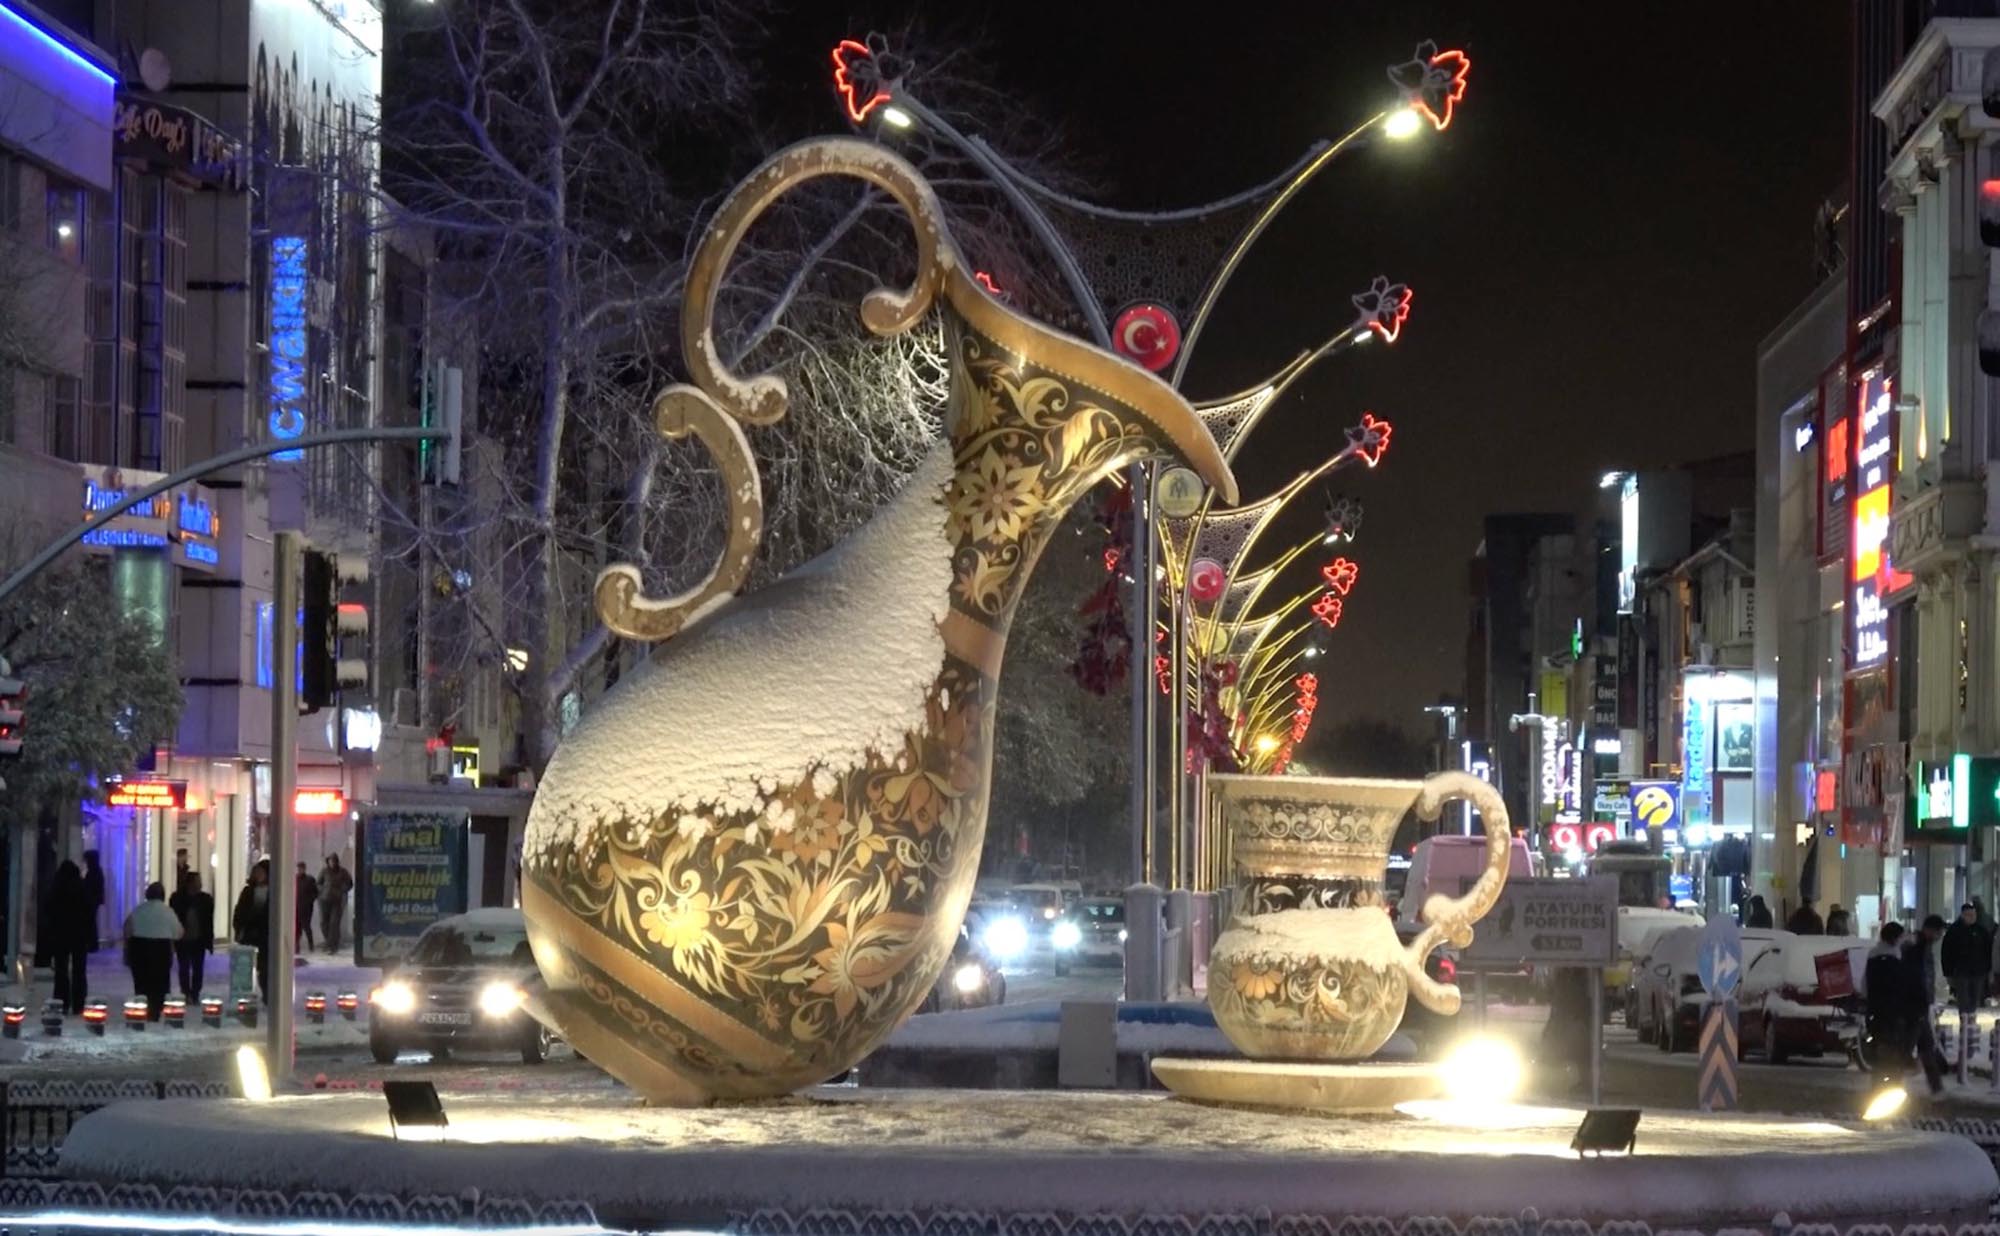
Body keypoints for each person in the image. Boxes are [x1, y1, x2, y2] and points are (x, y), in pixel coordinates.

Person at [122, 882, 182, 1020]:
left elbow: (127, 928)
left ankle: (143, 1006)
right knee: (160, 981)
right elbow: (179, 932)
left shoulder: (139, 910)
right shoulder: (168, 912)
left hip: (139, 947)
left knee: (141, 980)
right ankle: (156, 1008)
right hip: (161, 949)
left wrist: (126, 949)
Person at [1904, 914, 1949, 1095]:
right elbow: (1915, 977)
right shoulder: (1916, 947)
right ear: (1929, 930)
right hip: (1913, 1005)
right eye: (1938, 932)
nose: (1939, 936)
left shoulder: (1924, 946)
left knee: (1925, 1046)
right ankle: (1889, 1085)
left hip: (1920, 1005)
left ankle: (1937, 1089)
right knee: (1909, 1048)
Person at [44, 860, 93, 1014]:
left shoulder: (56, 889)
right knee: (79, 970)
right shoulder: (82, 888)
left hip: (61, 934)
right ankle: (79, 1003)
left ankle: (62, 1001)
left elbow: (49, 912)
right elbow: (89, 913)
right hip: (79, 934)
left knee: (61, 969)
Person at [1865, 922, 1910, 1085]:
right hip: (1893, 1009)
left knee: (1880, 1045)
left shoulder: (1872, 955)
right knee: (1893, 1045)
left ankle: (1878, 1081)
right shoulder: (1895, 958)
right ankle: (1893, 1080)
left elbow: (1866, 984)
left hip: (1876, 1009)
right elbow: (1900, 985)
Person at [168, 870, 215, 1001]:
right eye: (197, 881)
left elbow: (208, 921)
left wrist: (209, 940)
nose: (200, 884)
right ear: (189, 883)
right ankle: (186, 991)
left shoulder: (206, 900)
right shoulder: (177, 898)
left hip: (199, 938)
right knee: (184, 966)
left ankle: (195, 992)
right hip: (183, 938)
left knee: (198, 967)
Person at [1942, 903, 1993, 1015]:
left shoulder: (1981, 931)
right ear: (1963, 915)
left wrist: (1988, 968)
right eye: (1969, 915)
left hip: (1978, 971)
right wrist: (1948, 971)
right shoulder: (1954, 931)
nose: (1972, 917)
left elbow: (1988, 950)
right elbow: (1946, 952)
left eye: (1973, 914)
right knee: (1963, 998)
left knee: (1975, 998)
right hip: (1960, 971)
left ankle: (1971, 1020)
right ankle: (1964, 1021)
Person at [232, 860, 271, 1003]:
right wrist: (239, 929)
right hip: (250, 935)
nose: (258, 875)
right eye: (256, 872)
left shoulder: (275, 891)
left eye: (261, 872)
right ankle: (245, 995)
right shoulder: (248, 891)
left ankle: (267, 993)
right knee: (246, 966)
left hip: (266, 936)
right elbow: (239, 911)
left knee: (265, 967)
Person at [318, 854, 353, 955]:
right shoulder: (324, 871)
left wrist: (343, 890)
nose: (332, 863)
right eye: (330, 861)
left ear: (337, 861)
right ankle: (329, 943)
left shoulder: (343, 872)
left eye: (334, 861)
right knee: (324, 923)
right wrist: (322, 890)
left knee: (334, 924)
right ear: (328, 862)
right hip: (324, 900)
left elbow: (350, 883)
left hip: (337, 901)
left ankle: (333, 947)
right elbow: (318, 883)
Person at [79, 849, 105, 954]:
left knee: (90, 922)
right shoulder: (96, 870)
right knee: (91, 922)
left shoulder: (93, 871)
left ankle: (92, 944)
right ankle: (92, 944)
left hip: (91, 900)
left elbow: (90, 886)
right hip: (94, 900)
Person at [294, 861, 319, 954]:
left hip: (306, 908)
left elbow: (315, 892)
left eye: (301, 868)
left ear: (304, 869)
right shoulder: (295, 879)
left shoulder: (310, 879)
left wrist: (309, 901)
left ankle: (311, 945)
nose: (300, 870)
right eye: (298, 868)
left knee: (306, 926)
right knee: (297, 928)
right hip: (296, 906)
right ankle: (296, 947)